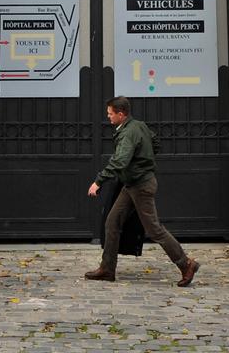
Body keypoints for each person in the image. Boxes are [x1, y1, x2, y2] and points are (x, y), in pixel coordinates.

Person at [84, 95, 199, 286]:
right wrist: (142, 162)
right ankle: (107, 269)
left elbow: (120, 160)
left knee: (155, 230)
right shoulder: (139, 126)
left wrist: (99, 181)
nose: (108, 117)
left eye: (110, 114)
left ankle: (186, 264)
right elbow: (155, 144)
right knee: (112, 222)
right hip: (132, 185)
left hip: (141, 186)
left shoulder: (129, 133)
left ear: (121, 114)